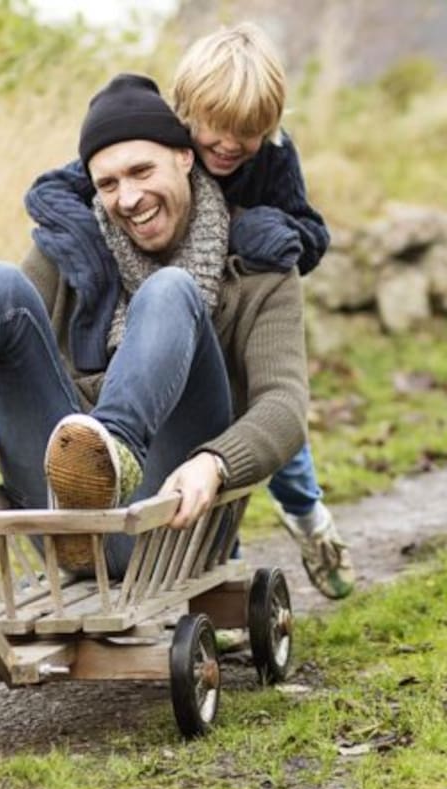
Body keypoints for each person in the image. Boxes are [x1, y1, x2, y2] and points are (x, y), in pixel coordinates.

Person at [0, 73, 308, 578]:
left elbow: (285, 406)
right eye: (108, 184)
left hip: (167, 518)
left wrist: (215, 463)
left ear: (184, 157)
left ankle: (115, 452)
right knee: (2, 286)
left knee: (170, 290)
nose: (128, 198)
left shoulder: (261, 262)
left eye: (141, 171)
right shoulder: (69, 246)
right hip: (63, 514)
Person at [18, 23, 354, 598]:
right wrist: (71, 229)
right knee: (193, 424)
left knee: (280, 447)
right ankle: (215, 568)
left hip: (236, 316)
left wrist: (262, 231)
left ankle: (310, 525)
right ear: (184, 116)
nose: (227, 145)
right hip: (171, 319)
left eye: (246, 133)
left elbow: (309, 235)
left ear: (270, 128)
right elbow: (60, 186)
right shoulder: (154, 142)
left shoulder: (273, 157)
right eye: (214, 130)